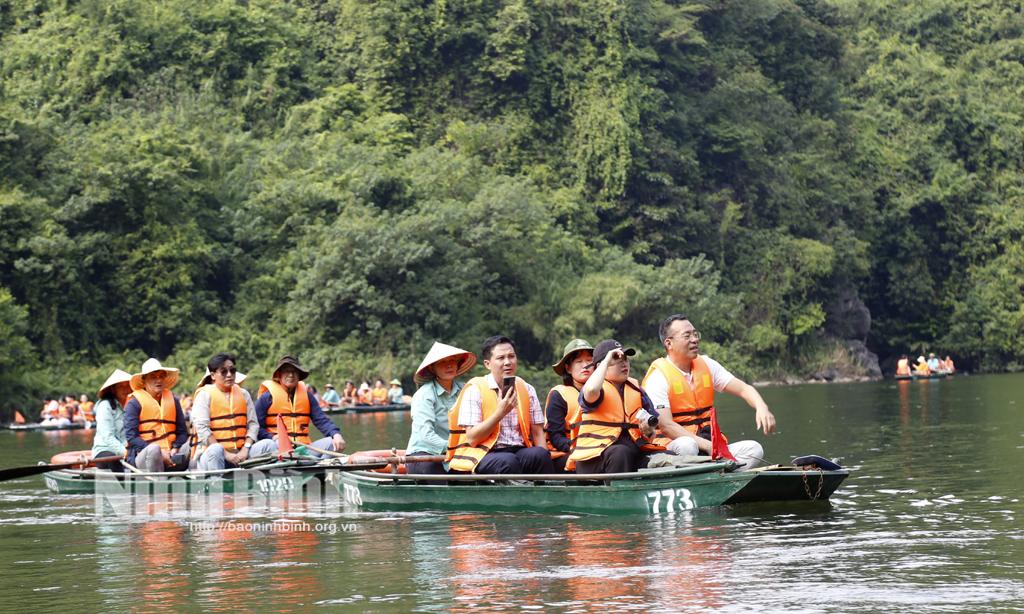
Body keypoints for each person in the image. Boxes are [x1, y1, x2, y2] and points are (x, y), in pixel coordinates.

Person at [643, 314, 776, 470]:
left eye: (695, 334)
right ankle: (708, 476)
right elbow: (666, 425)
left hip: (709, 446)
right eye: (687, 336)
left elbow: (744, 388)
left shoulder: (706, 364)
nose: (694, 339)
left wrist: (761, 407)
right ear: (669, 343)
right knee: (688, 445)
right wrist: (707, 445)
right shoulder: (658, 377)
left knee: (753, 449)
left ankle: (722, 478)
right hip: (673, 450)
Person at [446, 335, 554, 474]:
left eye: (511, 356)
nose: (508, 362)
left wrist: (544, 458)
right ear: (487, 364)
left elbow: (538, 433)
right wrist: (500, 413)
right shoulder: (475, 389)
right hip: (482, 453)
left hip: (518, 450)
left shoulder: (527, 389)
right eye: (500, 358)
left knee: (540, 455)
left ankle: (547, 493)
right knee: (508, 461)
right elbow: (472, 438)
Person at [568, 340, 661, 474]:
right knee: (620, 452)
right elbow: (592, 390)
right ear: (601, 366)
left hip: (630, 453)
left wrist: (648, 431)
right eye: (616, 359)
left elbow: (651, 433)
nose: (624, 363)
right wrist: (605, 361)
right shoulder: (594, 389)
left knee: (666, 457)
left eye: (625, 359)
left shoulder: (636, 390)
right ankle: (617, 495)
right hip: (593, 458)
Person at [251, 355, 346, 458]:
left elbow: (321, 420)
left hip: (302, 449)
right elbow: (256, 427)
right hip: (277, 449)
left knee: (332, 443)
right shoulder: (267, 397)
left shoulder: (307, 396)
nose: (291, 375)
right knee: (269, 445)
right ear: (279, 374)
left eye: (294, 371)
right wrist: (272, 437)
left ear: (299, 375)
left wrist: (336, 434)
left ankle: (319, 472)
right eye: (287, 371)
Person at [405, 342, 477, 474]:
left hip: (459, 452)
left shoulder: (467, 389)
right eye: (442, 362)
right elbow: (425, 434)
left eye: (453, 361)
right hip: (424, 454)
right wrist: (454, 448)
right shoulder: (424, 395)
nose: (449, 365)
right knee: (432, 469)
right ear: (432, 368)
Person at [189, 354, 259, 471]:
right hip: (214, 454)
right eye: (223, 372)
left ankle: (258, 484)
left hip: (242, 452)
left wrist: (245, 449)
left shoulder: (244, 394)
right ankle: (217, 486)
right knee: (216, 449)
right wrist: (226, 454)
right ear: (213, 375)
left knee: (268, 445)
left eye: (232, 370)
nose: (229, 375)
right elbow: (202, 429)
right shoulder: (204, 395)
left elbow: (253, 424)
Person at [124, 358, 189, 473]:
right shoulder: (134, 403)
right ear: (144, 380)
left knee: (193, 443)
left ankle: (202, 484)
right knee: (154, 449)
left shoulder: (173, 400)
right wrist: (160, 453)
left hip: (172, 453)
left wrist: (175, 448)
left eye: (161, 376)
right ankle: (159, 485)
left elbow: (183, 432)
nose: (158, 380)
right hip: (145, 456)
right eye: (153, 376)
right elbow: (131, 436)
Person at [545, 339, 594, 472]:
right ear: (568, 368)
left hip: (597, 447)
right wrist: (581, 447)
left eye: (589, 361)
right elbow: (556, 438)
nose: (585, 365)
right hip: (566, 454)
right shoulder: (559, 395)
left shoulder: (605, 391)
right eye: (579, 362)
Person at [90, 369, 133, 472]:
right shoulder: (105, 405)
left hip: (128, 449)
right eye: (121, 386)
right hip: (105, 449)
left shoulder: (133, 405)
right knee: (114, 461)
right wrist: (125, 453)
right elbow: (108, 436)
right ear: (113, 389)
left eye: (128, 385)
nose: (126, 389)